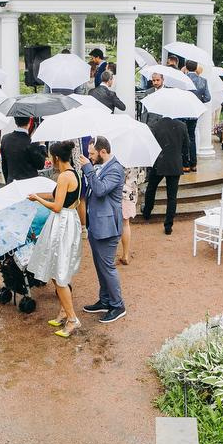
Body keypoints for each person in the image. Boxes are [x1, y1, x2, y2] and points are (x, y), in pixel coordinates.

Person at [26, 141, 83, 338]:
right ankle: (63, 312)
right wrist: (35, 194)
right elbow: (55, 195)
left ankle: (73, 319)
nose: (50, 160)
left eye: (51, 157)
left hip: (62, 223)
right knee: (56, 268)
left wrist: (38, 200)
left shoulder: (63, 176)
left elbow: (57, 206)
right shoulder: (74, 173)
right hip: (68, 220)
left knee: (59, 274)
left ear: (56, 158)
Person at [80, 136, 127, 324]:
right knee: (100, 266)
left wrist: (88, 169)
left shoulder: (115, 169)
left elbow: (100, 190)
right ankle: (105, 300)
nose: (89, 157)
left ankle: (118, 305)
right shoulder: (102, 166)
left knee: (107, 267)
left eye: (92, 154)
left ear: (102, 152)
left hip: (108, 227)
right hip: (97, 224)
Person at [141, 114, 188, 235]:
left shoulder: (156, 126)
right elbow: (186, 146)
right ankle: (168, 225)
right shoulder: (182, 126)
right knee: (172, 196)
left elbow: (150, 146)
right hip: (174, 164)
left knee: (151, 188)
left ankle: (147, 212)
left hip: (159, 163)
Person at [182, 60, 210, 172]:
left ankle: (185, 165)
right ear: (196, 68)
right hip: (194, 112)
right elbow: (208, 97)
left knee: (184, 138)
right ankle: (193, 164)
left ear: (186, 68)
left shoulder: (183, 79)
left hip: (183, 111)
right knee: (191, 137)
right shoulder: (203, 80)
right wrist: (198, 101)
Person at [0, 117, 47, 183]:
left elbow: (4, 165)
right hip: (28, 183)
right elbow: (40, 165)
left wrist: (8, 182)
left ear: (15, 121)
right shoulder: (31, 141)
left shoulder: (5, 138)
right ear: (30, 122)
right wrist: (42, 145)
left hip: (12, 182)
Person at [119, 166, 143, 265]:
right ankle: (125, 254)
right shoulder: (138, 159)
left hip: (121, 192)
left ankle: (123, 255)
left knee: (118, 223)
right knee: (126, 223)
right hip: (132, 192)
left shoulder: (120, 158)